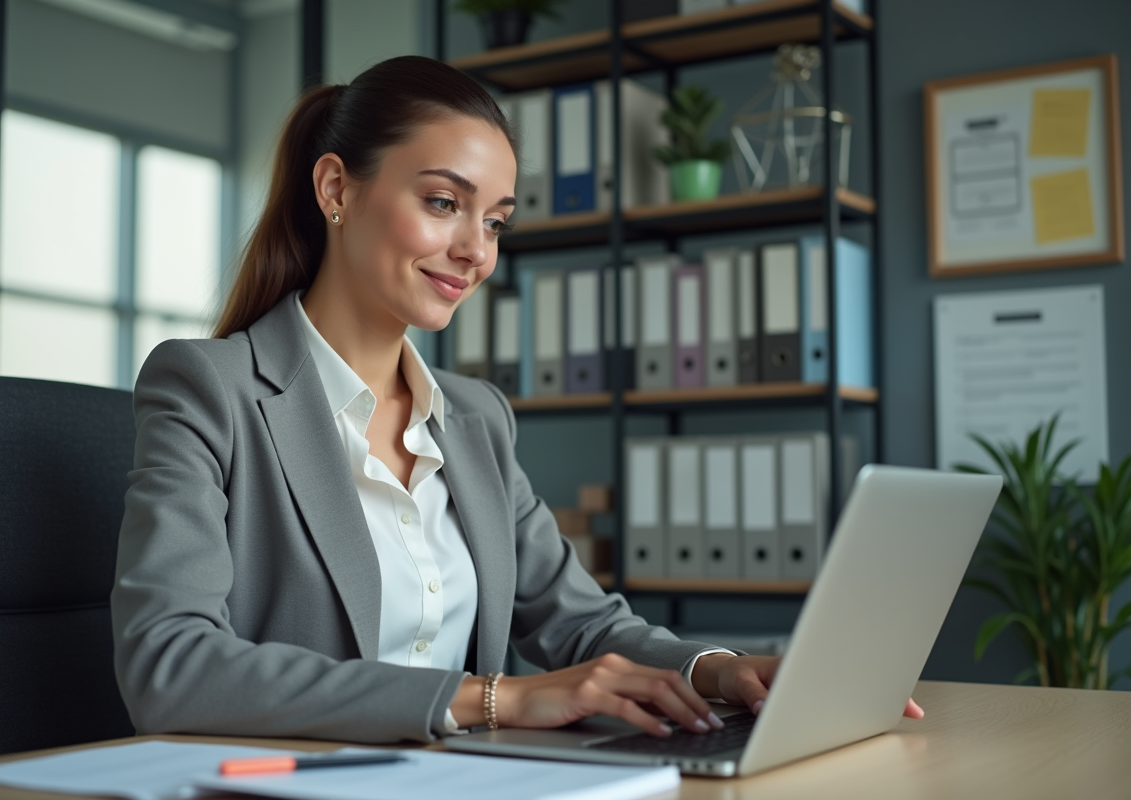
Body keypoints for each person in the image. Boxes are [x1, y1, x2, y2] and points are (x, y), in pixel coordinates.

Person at [112, 55, 921, 744]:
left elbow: (584, 625)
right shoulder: (209, 388)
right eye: (442, 203)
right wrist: (496, 699)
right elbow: (169, 663)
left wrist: (719, 671)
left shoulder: (475, 419)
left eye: (495, 221)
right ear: (336, 190)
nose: (475, 251)